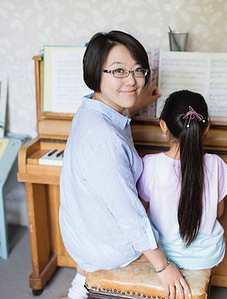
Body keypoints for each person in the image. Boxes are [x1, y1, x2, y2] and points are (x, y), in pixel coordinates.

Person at [59, 31, 191, 299]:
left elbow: (126, 94)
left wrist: (139, 98)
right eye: (119, 71)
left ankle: (78, 288)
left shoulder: (92, 108)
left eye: (138, 70)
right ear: (96, 73)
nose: (132, 80)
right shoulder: (105, 139)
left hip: (81, 229)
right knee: (182, 217)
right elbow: (129, 215)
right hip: (105, 246)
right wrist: (163, 267)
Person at [137, 90, 227, 271]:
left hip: (164, 256)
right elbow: (219, 212)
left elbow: (140, 213)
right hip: (206, 256)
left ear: (163, 126)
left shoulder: (150, 164)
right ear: (205, 128)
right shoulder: (216, 164)